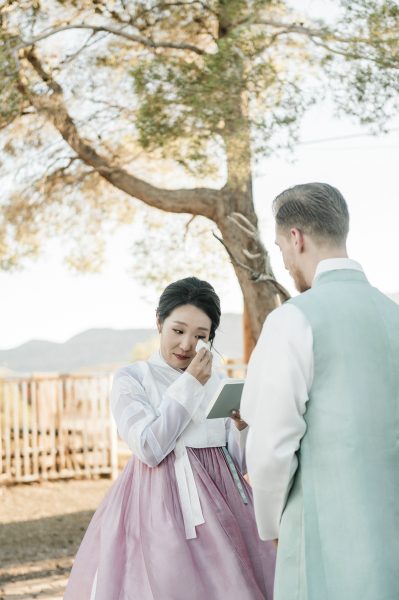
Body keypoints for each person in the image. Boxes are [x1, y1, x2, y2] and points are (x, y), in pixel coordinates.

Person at [64, 277, 276, 600]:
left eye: (200, 336)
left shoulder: (219, 381)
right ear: (160, 322)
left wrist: (241, 425)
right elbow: (149, 447)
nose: (187, 345)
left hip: (224, 513)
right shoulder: (132, 380)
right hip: (156, 510)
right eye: (178, 330)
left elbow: (233, 464)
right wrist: (190, 384)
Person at [240, 182, 399, 600]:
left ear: (296, 239)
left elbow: (270, 447)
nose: (287, 263)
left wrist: (272, 528)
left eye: (280, 248)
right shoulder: (394, 315)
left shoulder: (293, 320)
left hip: (325, 543)